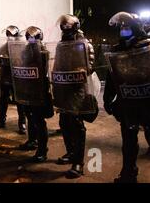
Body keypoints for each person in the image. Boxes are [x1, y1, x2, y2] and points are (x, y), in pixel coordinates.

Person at [104, 12, 150, 183]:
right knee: (128, 143)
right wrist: (108, 98)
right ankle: (128, 174)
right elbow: (112, 77)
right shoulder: (117, 49)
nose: (124, 29)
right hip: (128, 103)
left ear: (136, 27)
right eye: (122, 26)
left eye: (127, 26)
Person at [52, 14, 97, 178]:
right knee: (64, 123)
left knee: (76, 125)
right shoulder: (60, 45)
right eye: (63, 28)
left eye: (68, 28)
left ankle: (78, 162)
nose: (65, 31)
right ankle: (70, 153)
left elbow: (90, 67)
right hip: (63, 89)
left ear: (75, 27)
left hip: (78, 90)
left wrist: (78, 71)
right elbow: (57, 64)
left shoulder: (85, 45)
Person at [9, 26, 54, 162]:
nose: (31, 39)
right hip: (27, 88)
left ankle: (42, 150)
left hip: (39, 89)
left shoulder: (43, 52)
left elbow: (44, 72)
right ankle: (32, 141)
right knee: (30, 116)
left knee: (39, 120)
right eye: (29, 37)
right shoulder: (25, 51)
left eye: (33, 37)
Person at [0, 25, 27, 135]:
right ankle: (1, 120)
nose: (9, 37)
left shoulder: (22, 46)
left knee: (20, 101)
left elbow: (24, 61)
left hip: (18, 76)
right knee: (2, 99)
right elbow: (0, 60)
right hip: (6, 75)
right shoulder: (4, 46)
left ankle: (22, 123)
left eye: (11, 35)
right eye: (8, 35)